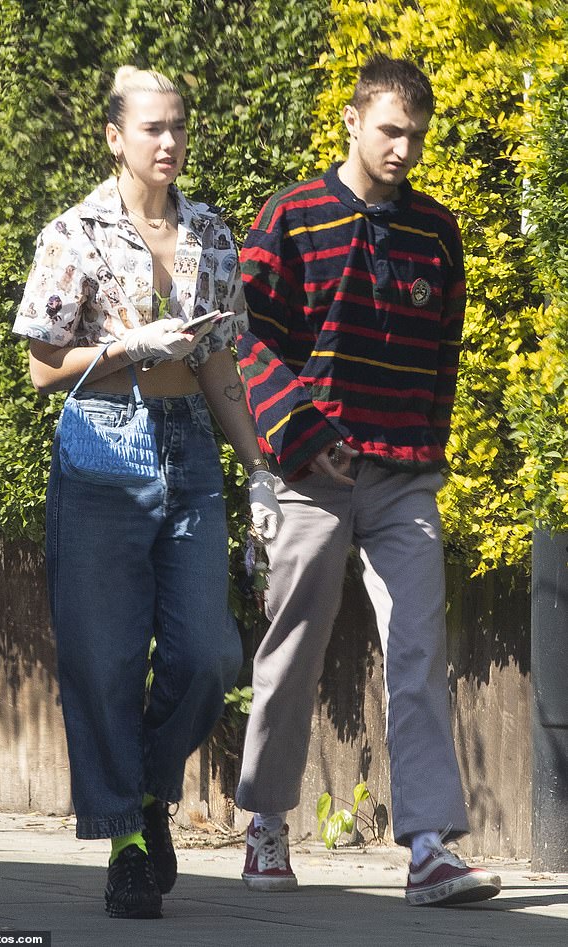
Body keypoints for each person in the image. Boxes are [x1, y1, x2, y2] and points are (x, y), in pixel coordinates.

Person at [13, 65, 282, 920]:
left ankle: (149, 790)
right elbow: (41, 366)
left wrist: (260, 467)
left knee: (209, 655)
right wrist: (129, 348)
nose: (169, 142)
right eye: (152, 128)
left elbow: (218, 360)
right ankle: (126, 839)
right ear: (115, 137)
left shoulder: (209, 232)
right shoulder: (75, 232)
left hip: (190, 449)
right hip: (104, 444)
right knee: (105, 657)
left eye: (178, 126)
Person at [235, 53, 502, 906]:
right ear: (352, 121)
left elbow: (445, 354)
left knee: (419, 652)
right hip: (311, 471)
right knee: (293, 648)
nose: (404, 149)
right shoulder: (291, 216)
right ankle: (266, 822)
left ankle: (428, 847)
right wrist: (300, 436)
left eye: (416, 135)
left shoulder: (437, 232)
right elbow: (244, 338)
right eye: (390, 130)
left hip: (402, 478)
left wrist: (429, 444)